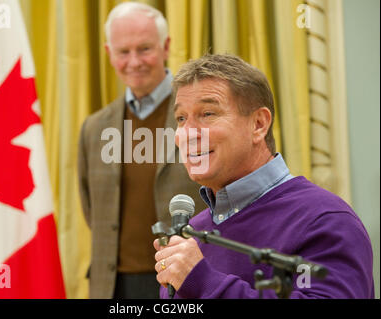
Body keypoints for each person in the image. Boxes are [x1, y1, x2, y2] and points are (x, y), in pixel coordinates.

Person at [153, 54, 374, 299]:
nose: (188, 134)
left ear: (258, 124)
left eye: (207, 114)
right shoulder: (193, 232)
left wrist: (204, 282)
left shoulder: (323, 219)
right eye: (181, 118)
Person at [78, 2, 205, 299]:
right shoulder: (94, 128)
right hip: (113, 286)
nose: (134, 62)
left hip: (189, 280)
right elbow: (90, 209)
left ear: (166, 47)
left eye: (145, 49)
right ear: (109, 54)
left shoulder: (203, 115)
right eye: (124, 52)